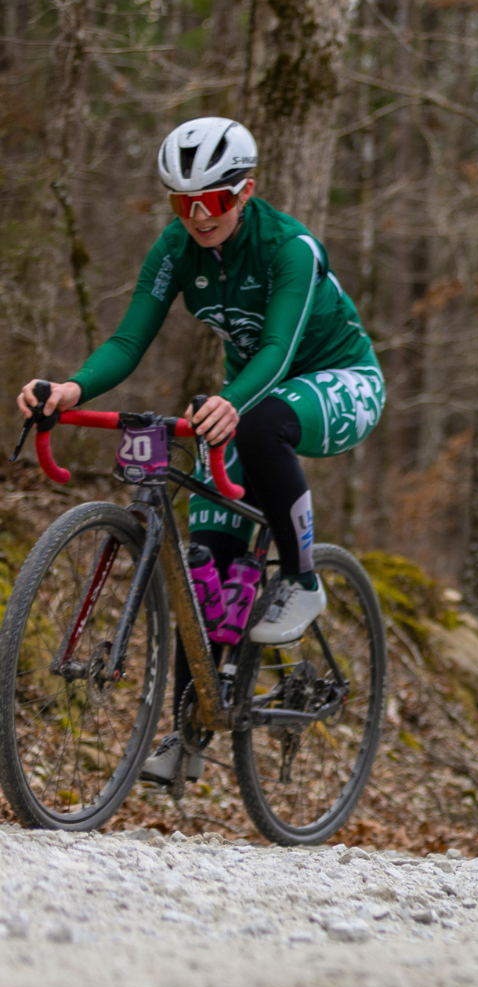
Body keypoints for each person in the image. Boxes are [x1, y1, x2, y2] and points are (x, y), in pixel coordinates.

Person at [15, 117, 386, 782]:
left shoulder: (289, 248)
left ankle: (303, 581)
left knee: (258, 422)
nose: (197, 217)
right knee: (205, 559)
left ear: (246, 193)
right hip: (248, 394)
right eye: (180, 204)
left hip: (337, 381)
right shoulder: (176, 249)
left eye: (211, 202)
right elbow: (128, 342)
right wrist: (70, 388)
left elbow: (276, 351)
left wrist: (232, 400)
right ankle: (190, 734)